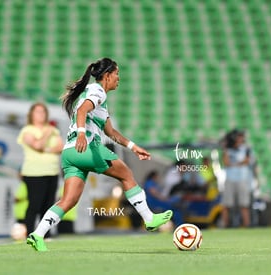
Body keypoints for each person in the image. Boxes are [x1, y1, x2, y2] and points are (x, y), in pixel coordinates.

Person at [26, 57, 173, 252]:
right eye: (117, 74)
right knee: (127, 174)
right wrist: (81, 134)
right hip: (86, 147)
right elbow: (83, 112)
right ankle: (149, 218)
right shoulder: (97, 91)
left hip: (70, 154)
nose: (118, 78)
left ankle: (37, 234)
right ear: (106, 75)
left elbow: (111, 133)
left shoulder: (98, 99)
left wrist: (133, 146)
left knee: (68, 201)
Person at [17, 102, 64, 235]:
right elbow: (36, 145)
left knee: (48, 206)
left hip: (52, 172)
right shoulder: (27, 130)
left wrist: (46, 149)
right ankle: (30, 233)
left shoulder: (53, 129)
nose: (41, 114)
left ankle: (45, 234)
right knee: (34, 204)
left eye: (43, 112)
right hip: (34, 173)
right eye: (38, 111)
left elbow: (60, 147)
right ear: (31, 114)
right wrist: (47, 135)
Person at [221, 129, 252, 227]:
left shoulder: (246, 148)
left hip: (242, 179)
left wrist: (235, 163)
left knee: (244, 204)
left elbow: (246, 161)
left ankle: (247, 225)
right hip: (230, 179)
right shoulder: (228, 149)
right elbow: (226, 162)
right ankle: (225, 225)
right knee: (226, 204)